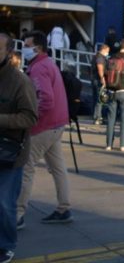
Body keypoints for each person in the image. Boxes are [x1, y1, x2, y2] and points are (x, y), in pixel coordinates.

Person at [18, 31, 73, 226]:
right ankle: (64, 208)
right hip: (57, 124)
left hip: (43, 126)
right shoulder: (49, 63)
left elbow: (46, 100)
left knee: (26, 168)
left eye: (26, 45)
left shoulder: (39, 67)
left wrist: (30, 118)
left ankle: (17, 214)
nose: (24, 48)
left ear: (37, 48)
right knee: (58, 168)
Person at [0, 33, 37, 263]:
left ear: (8, 52)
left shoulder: (20, 82)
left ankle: (6, 244)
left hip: (9, 154)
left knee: (4, 203)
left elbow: (30, 118)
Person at [91, 44, 109, 125]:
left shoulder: (95, 56)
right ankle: (98, 118)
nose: (108, 52)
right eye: (107, 51)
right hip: (98, 80)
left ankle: (96, 116)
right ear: (104, 49)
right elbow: (100, 68)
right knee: (100, 100)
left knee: (96, 99)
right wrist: (103, 79)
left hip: (94, 80)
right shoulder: (100, 58)